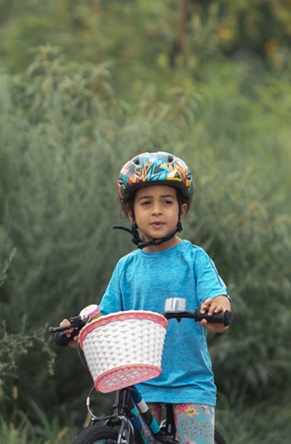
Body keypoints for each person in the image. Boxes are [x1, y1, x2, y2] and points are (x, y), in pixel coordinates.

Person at [63, 151, 231, 444]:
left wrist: (216, 309)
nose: (156, 210)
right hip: (140, 382)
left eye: (166, 202)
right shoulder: (127, 268)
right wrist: (79, 328)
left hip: (190, 382)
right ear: (131, 214)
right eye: (146, 203)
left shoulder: (194, 259)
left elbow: (217, 297)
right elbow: (105, 316)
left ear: (182, 210)